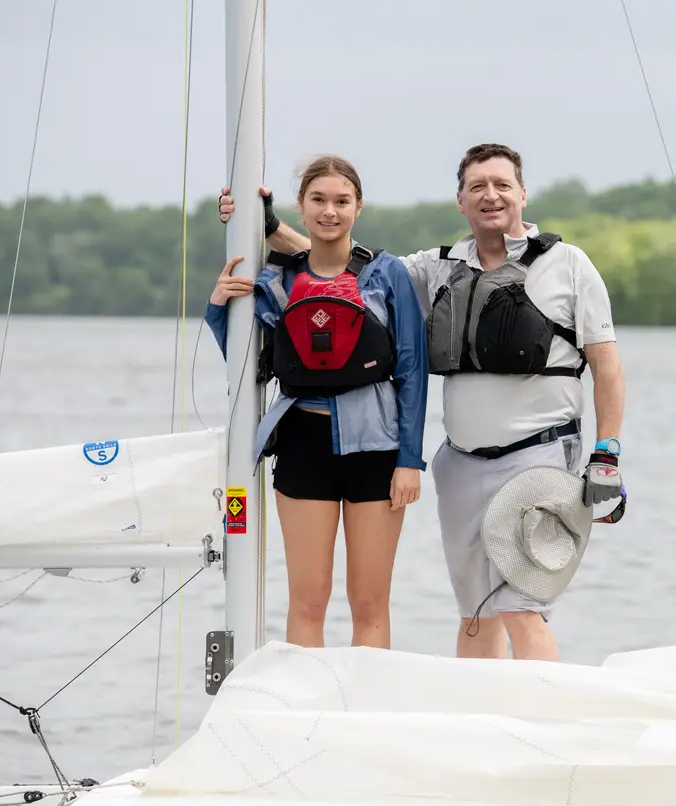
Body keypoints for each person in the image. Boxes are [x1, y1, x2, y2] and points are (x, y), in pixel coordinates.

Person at [218, 143, 626, 663]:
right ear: (460, 200)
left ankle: (546, 728)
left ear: (523, 194)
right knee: (475, 614)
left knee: (522, 607)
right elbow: (338, 266)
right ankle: (478, 732)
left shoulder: (568, 264)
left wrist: (607, 450)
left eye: (502, 185)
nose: (490, 195)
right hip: (463, 463)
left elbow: (607, 365)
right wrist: (265, 224)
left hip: (541, 457)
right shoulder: (433, 268)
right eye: (477, 186)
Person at [207, 154, 428, 650]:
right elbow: (246, 365)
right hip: (303, 446)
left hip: (377, 450)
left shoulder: (386, 275)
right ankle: (307, 713)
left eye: (342, 201)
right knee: (308, 601)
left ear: (359, 207)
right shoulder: (275, 280)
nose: (330, 211)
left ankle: (363, 713)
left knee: (369, 602)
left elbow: (412, 370)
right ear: (301, 208)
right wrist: (218, 306)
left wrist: (409, 461)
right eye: (319, 200)